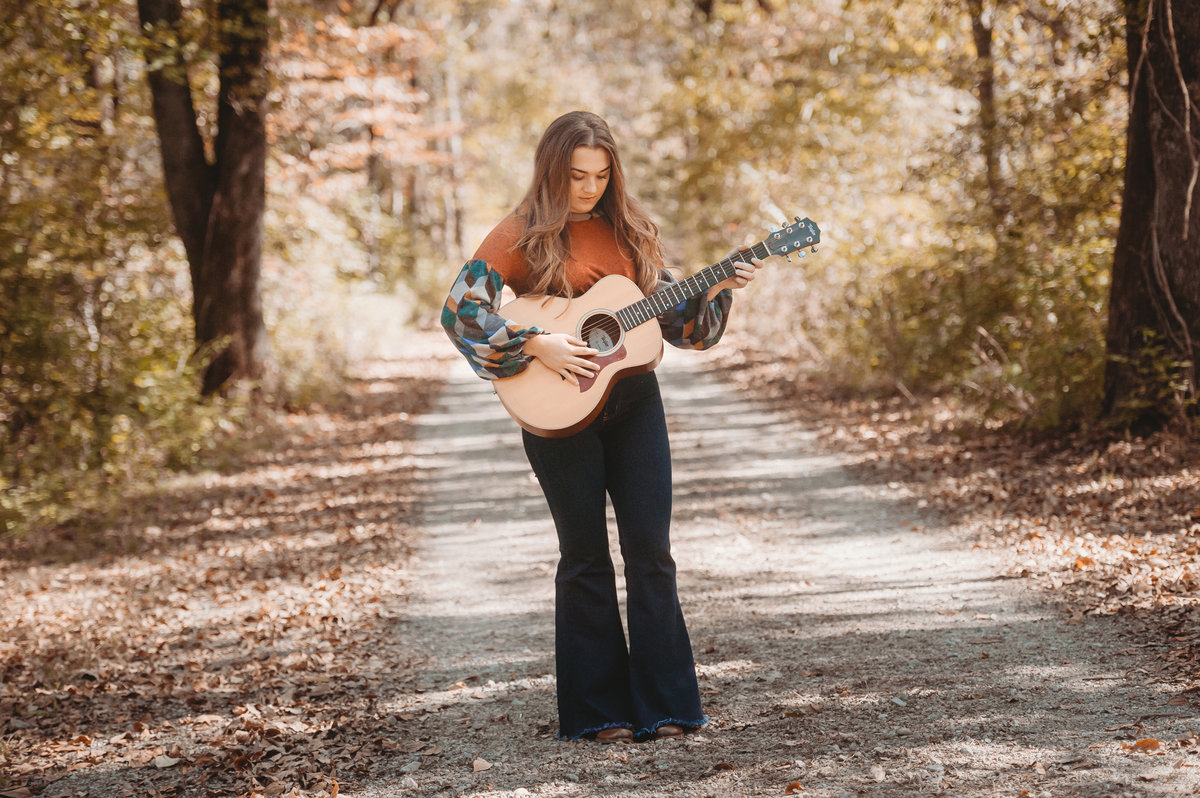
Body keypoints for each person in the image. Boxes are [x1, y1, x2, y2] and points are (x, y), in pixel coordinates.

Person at [441, 110, 758, 742]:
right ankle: (598, 713)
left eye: (600, 175)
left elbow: (679, 325)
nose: (589, 187)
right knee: (584, 556)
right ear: (552, 170)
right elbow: (461, 311)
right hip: (558, 410)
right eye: (577, 175)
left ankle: (668, 705)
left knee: (651, 551)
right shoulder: (520, 232)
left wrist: (719, 285)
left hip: (635, 400)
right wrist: (536, 345)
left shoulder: (631, 229)